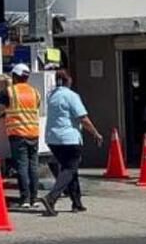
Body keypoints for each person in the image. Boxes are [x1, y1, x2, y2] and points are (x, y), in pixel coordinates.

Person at [39, 70, 104, 217]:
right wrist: (95, 133)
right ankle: (51, 198)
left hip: (52, 139)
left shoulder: (52, 96)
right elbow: (83, 118)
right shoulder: (71, 96)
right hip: (69, 139)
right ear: (68, 81)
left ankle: (77, 202)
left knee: (69, 169)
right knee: (69, 169)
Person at [0, 63, 41, 208]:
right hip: (33, 133)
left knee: (22, 166)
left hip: (18, 134)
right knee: (33, 167)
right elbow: (31, 108)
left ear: (15, 76)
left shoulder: (10, 91)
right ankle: (34, 198)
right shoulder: (35, 91)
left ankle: (25, 199)